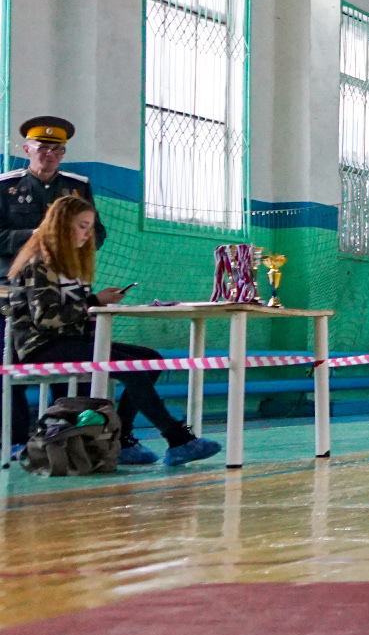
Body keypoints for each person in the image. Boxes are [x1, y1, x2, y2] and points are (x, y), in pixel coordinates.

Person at [6, 195, 220, 466]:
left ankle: (122, 438)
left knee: (150, 360)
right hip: (40, 347)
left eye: (90, 226)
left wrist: (96, 308)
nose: (88, 233)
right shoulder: (39, 263)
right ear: (61, 225)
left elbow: (79, 314)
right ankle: (176, 437)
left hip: (69, 341)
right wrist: (94, 302)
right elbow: (47, 319)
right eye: (82, 225)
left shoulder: (73, 267)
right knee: (131, 366)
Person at [0, 116, 104, 269]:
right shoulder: (5, 186)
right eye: (43, 148)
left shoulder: (78, 187)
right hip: (15, 277)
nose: (50, 154)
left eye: (58, 149)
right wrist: (35, 235)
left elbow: (98, 232)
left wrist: (74, 242)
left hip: (64, 275)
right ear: (27, 150)